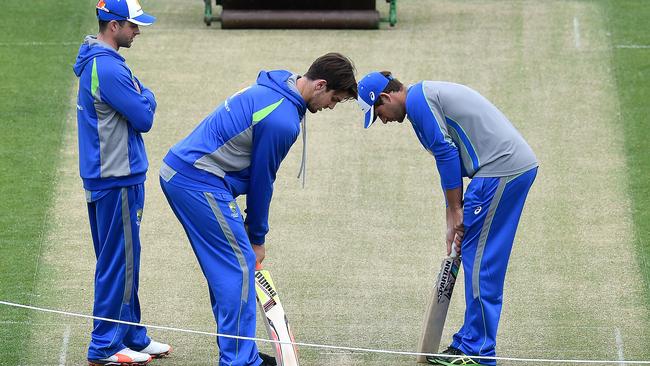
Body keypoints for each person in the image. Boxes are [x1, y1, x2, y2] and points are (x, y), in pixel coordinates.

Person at [159, 53, 357, 366]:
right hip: (196, 181)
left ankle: (240, 352)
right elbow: (262, 182)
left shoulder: (279, 85)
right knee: (239, 267)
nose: (330, 107)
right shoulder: (283, 120)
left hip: (186, 174)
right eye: (334, 99)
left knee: (229, 268)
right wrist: (257, 238)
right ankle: (239, 360)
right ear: (320, 85)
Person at [357, 72, 538, 366]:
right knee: (477, 256)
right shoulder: (423, 97)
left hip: (499, 171)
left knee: (480, 261)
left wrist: (455, 211)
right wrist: (451, 215)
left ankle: (477, 351)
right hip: (505, 169)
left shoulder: (418, 102)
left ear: (386, 98)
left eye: (379, 113)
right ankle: (469, 341)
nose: (384, 120)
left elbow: (446, 153)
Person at [73, 0, 171, 364]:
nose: (138, 31)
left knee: (122, 260)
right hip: (117, 178)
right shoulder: (109, 69)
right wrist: (148, 96)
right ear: (113, 26)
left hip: (105, 175)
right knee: (119, 262)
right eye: (133, 25)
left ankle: (131, 334)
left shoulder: (97, 61)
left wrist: (143, 96)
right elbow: (144, 115)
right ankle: (104, 345)